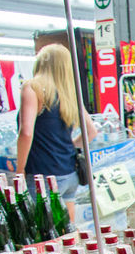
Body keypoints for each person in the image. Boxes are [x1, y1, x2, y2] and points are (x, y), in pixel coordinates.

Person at [16, 44, 97, 215]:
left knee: (44, 233)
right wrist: (70, 146)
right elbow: (91, 131)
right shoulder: (69, 93)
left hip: (43, 174)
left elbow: (26, 132)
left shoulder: (32, 88)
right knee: (68, 233)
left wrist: (20, 168)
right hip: (69, 173)